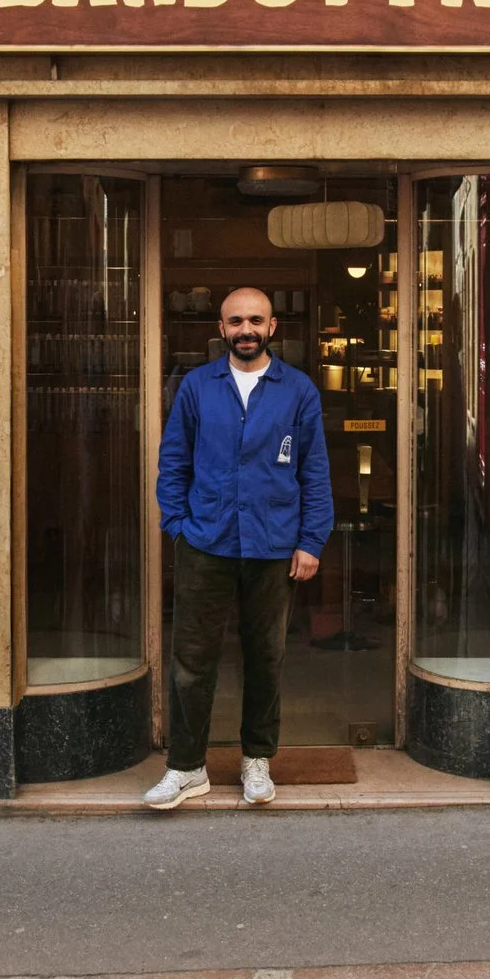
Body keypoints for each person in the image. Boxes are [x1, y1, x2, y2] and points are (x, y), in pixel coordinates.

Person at [145, 285, 333, 809]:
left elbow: (314, 470)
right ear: (221, 329)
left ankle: (257, 760)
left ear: (272, 327)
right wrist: (178, 524)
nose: (245, 330)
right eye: (235, 321)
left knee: (265, 657)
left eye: (255, 320)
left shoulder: (298, 390)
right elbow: (173, 460)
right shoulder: (196, 387)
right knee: (192, 660)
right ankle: (186, 768)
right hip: (206, 541)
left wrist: (311, 540)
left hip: (274, 544)